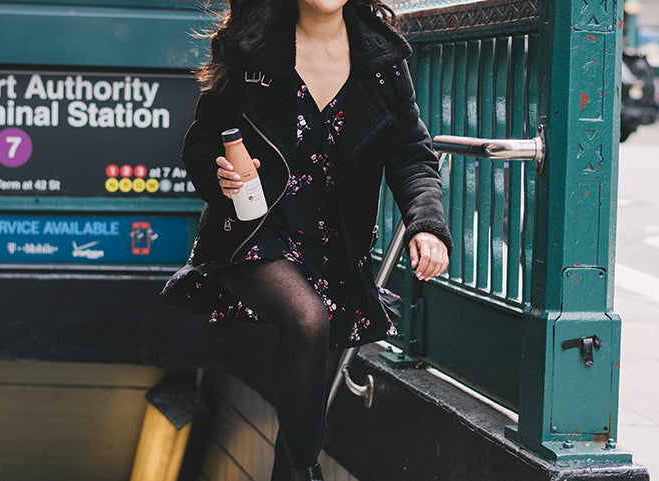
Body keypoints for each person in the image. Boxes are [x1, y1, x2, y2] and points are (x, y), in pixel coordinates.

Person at [161, 1, 452, 479]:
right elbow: (201, 142)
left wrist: (425, 223)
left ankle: (289, 470)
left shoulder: (381, 59)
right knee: (306, 318)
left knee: (309, 378)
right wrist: (222, 179)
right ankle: (308, 473)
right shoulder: (253, 46)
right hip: (255, 232)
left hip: (336, 246)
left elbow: (411, 155)